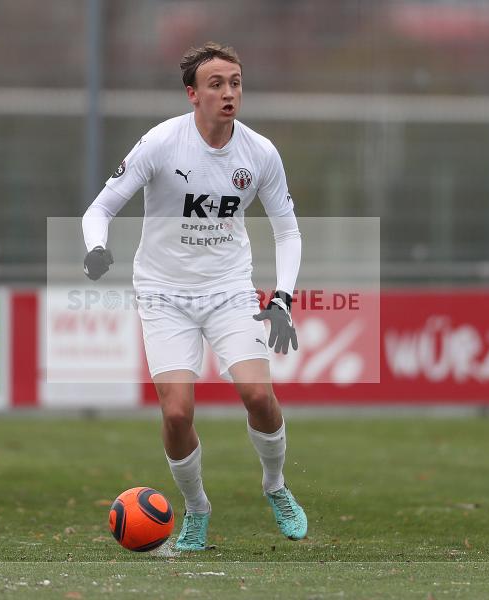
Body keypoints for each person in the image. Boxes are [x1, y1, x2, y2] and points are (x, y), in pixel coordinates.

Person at [81, 42, 305, 551]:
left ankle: (275, 485)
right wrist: (96, 248)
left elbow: (288, 232)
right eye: (217, 84)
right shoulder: (161, 144)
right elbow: (99, 209)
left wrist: (283, 298)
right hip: (163, 293)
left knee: (259, 398)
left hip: (228, 290)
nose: (229, 93)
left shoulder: (260, 153)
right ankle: (198, 509)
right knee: (178, 414)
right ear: (192, 94)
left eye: (236, 83)